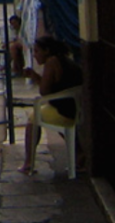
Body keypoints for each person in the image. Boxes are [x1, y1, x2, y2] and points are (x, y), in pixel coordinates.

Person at [19, 36, 83, 175]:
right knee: (45, 115)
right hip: (72, 107)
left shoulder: (52, 62)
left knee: (32, 120)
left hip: (65, 111)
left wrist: (35, 77)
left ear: (47, 51)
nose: (35, 55)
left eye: (36, 51)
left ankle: (28, 163)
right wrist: (35, 76)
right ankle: (79, 154)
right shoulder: (63, 59)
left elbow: (45, 91)